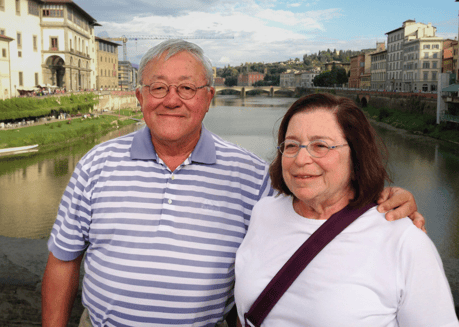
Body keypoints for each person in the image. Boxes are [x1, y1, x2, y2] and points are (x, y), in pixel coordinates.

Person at [42, 40, 423, 327]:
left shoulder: (252, 173)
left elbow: (319, 207)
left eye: (187, 88)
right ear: (140, 97)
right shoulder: (96, 164)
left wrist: (379, 199)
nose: (171, 100)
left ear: (209, 98)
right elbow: (62, 260)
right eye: (158, 88)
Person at [234, 93, 458, 327]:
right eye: (291, 145)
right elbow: (245, 312)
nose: (301, 159)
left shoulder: (402, 239)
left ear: (356, 154)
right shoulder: (264, 212)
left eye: (320, 145)